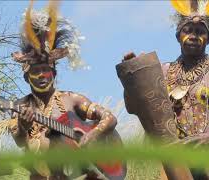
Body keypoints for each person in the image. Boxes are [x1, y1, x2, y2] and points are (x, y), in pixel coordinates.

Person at [11, 1, 126, 179]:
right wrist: (22, 126)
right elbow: (19, 142)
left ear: (54, 73)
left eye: (45, 70)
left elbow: (109, 118)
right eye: (35, 71)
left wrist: (93, 135)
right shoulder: (20, 106)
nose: (41, 75)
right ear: (27, 77)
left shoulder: (71, 99)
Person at [123, 0, 209, 179]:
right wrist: (134, 78)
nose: (194, 36)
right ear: (178, 35)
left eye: (201, 31)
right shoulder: (163, 72)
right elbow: (135, 108)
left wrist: (204, 139)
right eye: (188, 30)